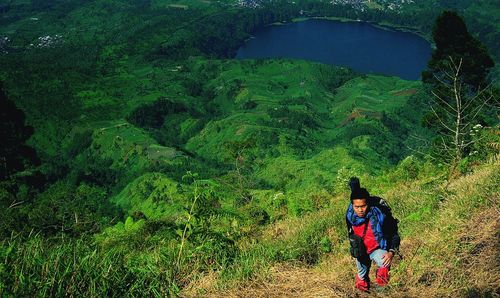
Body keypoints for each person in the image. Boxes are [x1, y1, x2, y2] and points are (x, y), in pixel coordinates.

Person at [345, 177, 400, 292]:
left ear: (368, 204)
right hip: (361, 252)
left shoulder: (380, 215)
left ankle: (382, 291)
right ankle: (363, 292)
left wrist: (391, 252)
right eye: (357, 207)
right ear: (352, 206)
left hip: (377, 249)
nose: (360, 210)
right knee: (361, 278)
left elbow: (393, 232)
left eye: (363, 206)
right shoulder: (350, 216)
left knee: (384, 266)